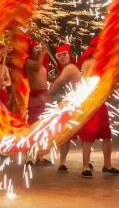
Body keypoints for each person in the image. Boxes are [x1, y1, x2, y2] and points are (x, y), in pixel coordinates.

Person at [76, 38, 119, 178]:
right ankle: (86, 166)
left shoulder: (89, 63)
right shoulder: (92, 63)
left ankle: (105, 165)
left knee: (106, 136)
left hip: (98, 103)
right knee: (90, 136)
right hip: (92, 103)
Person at [47, 44, 80, 173]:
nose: (62, 57)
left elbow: (56, 83)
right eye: (59, 56)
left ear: (69, 55)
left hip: (78, 104)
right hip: (73, 103)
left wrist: (46, 94)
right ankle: (63, 162)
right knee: (65, 134)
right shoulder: (67, 68)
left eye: (64, 54)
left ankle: (85, 164)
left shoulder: (70, 68)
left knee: (67, 133)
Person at [24, 41, 52, 166]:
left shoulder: (42, 64)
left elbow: (45, 78)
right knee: (33, 127)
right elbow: (36, 67)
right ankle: (29, 156)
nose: (38, 50)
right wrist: (44, 52)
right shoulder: (28, 62)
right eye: (35, 48)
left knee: (42, 128)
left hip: (44, 97)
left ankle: (40, 156)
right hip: (35, 97)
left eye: (39, 48)